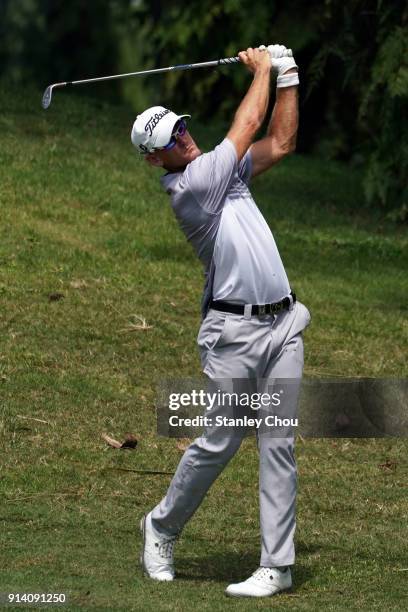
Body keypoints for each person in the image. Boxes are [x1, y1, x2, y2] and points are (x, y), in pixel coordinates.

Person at [131, 45, 311, 598]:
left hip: (283, 325)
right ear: (155, 159)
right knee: (221, 441)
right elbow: (249, 121)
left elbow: (280, 141)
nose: (181, 137)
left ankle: (276, 567)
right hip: (233, 336)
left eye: (181, 127)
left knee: (278, 440)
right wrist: (264, 69)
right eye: (169, 140)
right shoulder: (192, 188)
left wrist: (289, 79)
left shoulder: (223, 172)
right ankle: (160, 527)